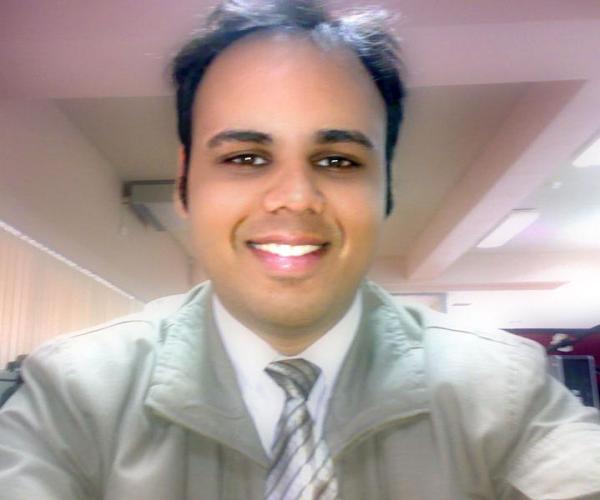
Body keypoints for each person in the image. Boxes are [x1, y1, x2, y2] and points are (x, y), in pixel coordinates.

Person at [1, 1, 599, 498]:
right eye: (245, 157)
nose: (295, 197)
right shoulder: (72, 395)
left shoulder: (504, 393)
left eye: (337, 161)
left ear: (386, 187)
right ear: (183, 183)